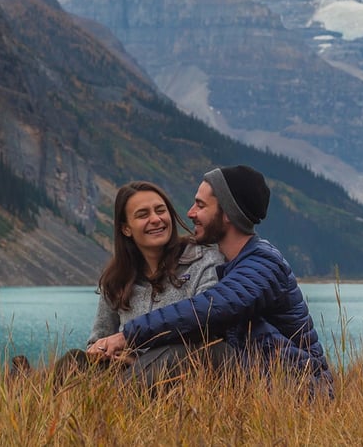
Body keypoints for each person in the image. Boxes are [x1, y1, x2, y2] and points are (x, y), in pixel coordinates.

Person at [91, 165, 334, 396]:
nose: (189, 213)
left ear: (227, 214)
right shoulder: (232, 262)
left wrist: (126, 336)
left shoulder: (263, 264)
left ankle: (109, 401)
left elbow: (206, 310)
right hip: (257, 377)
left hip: (301, 386)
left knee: (198, 353)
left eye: (200, 205)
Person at [27, 180, 224, 383]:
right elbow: (98, 341)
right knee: (75, 360)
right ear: (126, 229)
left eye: (160, 210)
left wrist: (136, 357)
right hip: (125, 376)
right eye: (143, 215)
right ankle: (29, 386)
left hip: (178, 375)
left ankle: (32, 383)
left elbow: (206, 326)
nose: (156, 219)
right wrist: (106, 352)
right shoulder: (116, 280)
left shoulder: (204, 261)